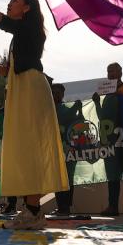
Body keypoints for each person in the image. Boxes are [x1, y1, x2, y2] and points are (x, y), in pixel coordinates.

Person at [0, 0, 68, 230]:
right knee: (23, 147)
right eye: (9, 0)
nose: (10, 4)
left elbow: (3, 22)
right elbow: (8, 70)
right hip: (19, 87)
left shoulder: (29, 28)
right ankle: (32, 210)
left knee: (31, 146)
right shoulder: (18, 35)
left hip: (31, 87)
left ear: (27, 7)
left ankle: (33, 211)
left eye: (15, 1)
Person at [97, 63, 123, 217]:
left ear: (120, 72)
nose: (111, 73)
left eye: (113, 70)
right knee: (112, 175)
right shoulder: (105, 95)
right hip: (110, 142)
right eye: (108, 71)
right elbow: (103, 118)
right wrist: (95, 103)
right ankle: (112, 206)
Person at [51, 83, 75, 217]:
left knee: (68, 178)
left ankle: (66, 207)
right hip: (52, 149)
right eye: (53, 92)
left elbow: (78, 124)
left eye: (59, 92)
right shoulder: (47, 110)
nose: (56, 95)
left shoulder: (68, 109)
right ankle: (61, 206)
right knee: (57, 178)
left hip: (68, 150)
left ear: (63, 94)